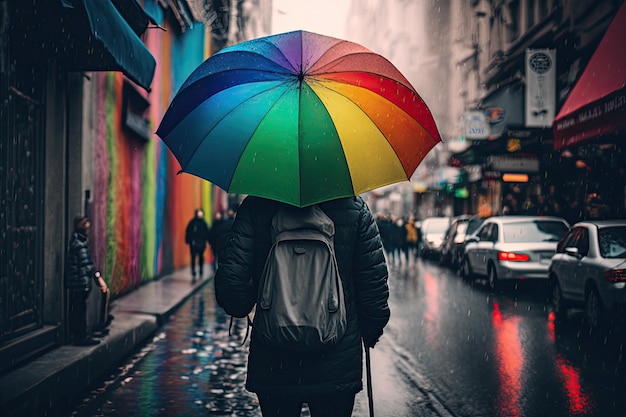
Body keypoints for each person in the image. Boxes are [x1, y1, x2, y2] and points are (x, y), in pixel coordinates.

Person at [214, 196, 390, 417]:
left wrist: (255, 299)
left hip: (274, 360)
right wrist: (371, 331)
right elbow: (374, 284)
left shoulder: (256, 205)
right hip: (336, 358)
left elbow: (231, 286)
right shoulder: (355, 209)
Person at [66, 215, 108, 346]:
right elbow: (87, 265)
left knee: (78, 309)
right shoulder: (79, 245)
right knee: (80, 310)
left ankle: (78, 335)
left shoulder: (77, 243)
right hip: (80, 283)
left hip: (78, 283)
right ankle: (81, 336)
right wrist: (98, 279)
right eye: (86, 227)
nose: (88, 230)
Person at [185, 208, 211, 280]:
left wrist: (207, 241)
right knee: (193, 257)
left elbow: (207, 233)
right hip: (194, 243)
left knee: (200, 257)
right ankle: (193, 270)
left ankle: (200, 270)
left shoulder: (203, 223)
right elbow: (188, 232)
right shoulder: (192, 222)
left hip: (201, 243)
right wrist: (188, 240)